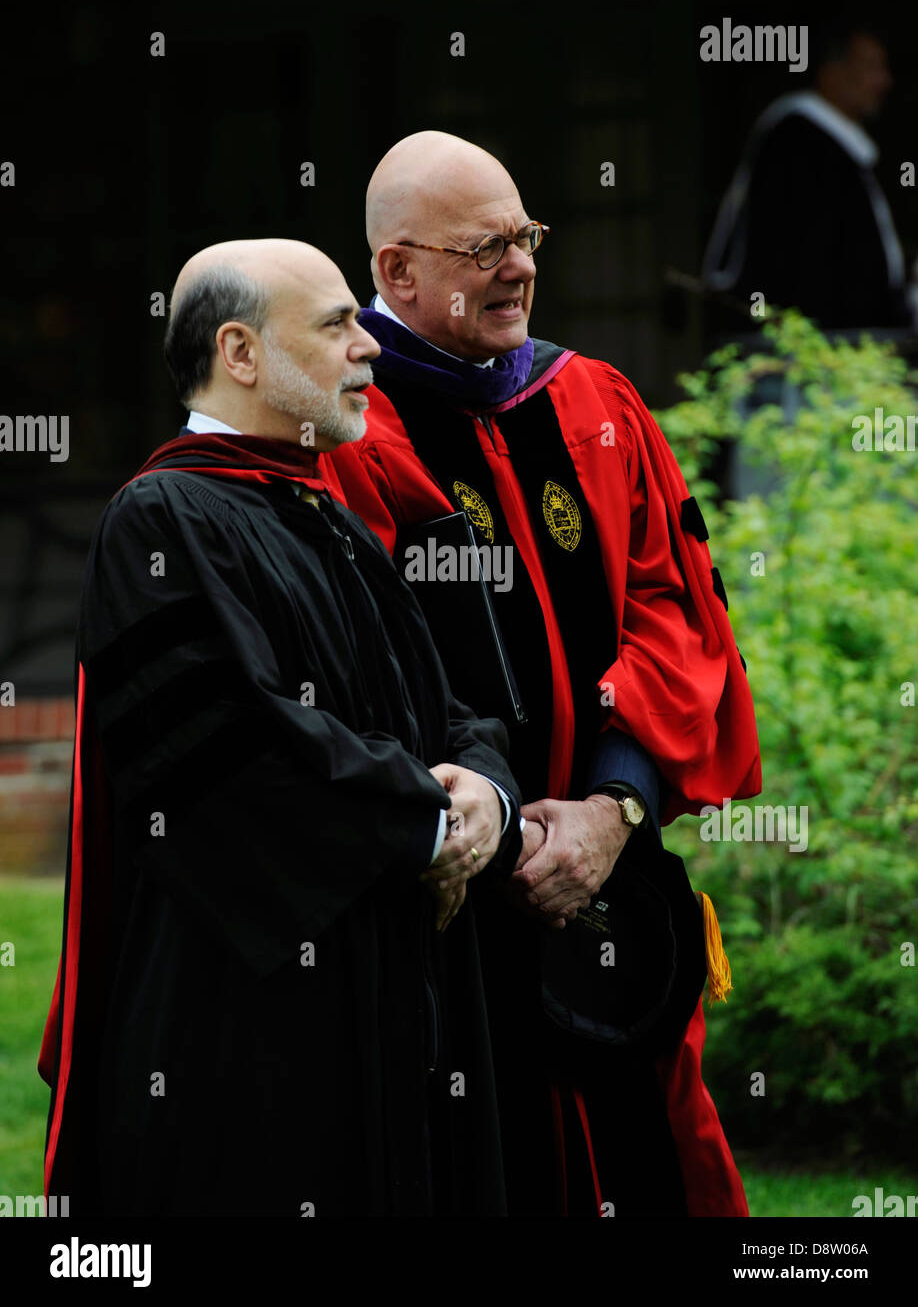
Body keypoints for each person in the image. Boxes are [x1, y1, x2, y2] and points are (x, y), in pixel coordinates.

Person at [322, 131, 763, 1217]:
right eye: (485, 248)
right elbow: (342, 685)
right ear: (398, 273)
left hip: (612, 890)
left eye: (526, 237)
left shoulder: (595, 404)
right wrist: (504, 825)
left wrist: (614, 803)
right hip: (446, 906)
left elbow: (674, 611)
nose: (519, 265)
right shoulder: (340, 436)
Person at [37, 237, 523, 1217]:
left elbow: (445, 704)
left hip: (383, 981)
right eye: (338, 323)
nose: (370, 347)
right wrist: (427, 822)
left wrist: (485, 790)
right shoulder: (161, 521)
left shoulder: (328, 515)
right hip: (250, 1017)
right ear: (241, 353)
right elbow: (231, 754)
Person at [703, 21, 914, 331]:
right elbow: (808, 264)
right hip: (810, 348)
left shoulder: (836, 147)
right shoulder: (798, 141)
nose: (885, 82)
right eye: (872, 68)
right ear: (831, 73)